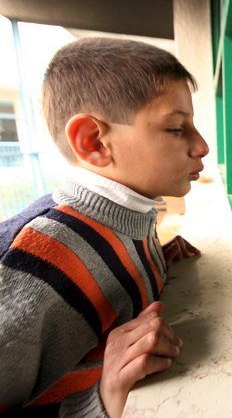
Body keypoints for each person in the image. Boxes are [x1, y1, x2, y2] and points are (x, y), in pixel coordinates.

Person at [0, 37, 209, 417]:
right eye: (177, 129)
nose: (203, 146)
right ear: (93, 141)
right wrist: (100, 397)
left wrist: (154, 260)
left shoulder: (129, 218)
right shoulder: (24, 268)